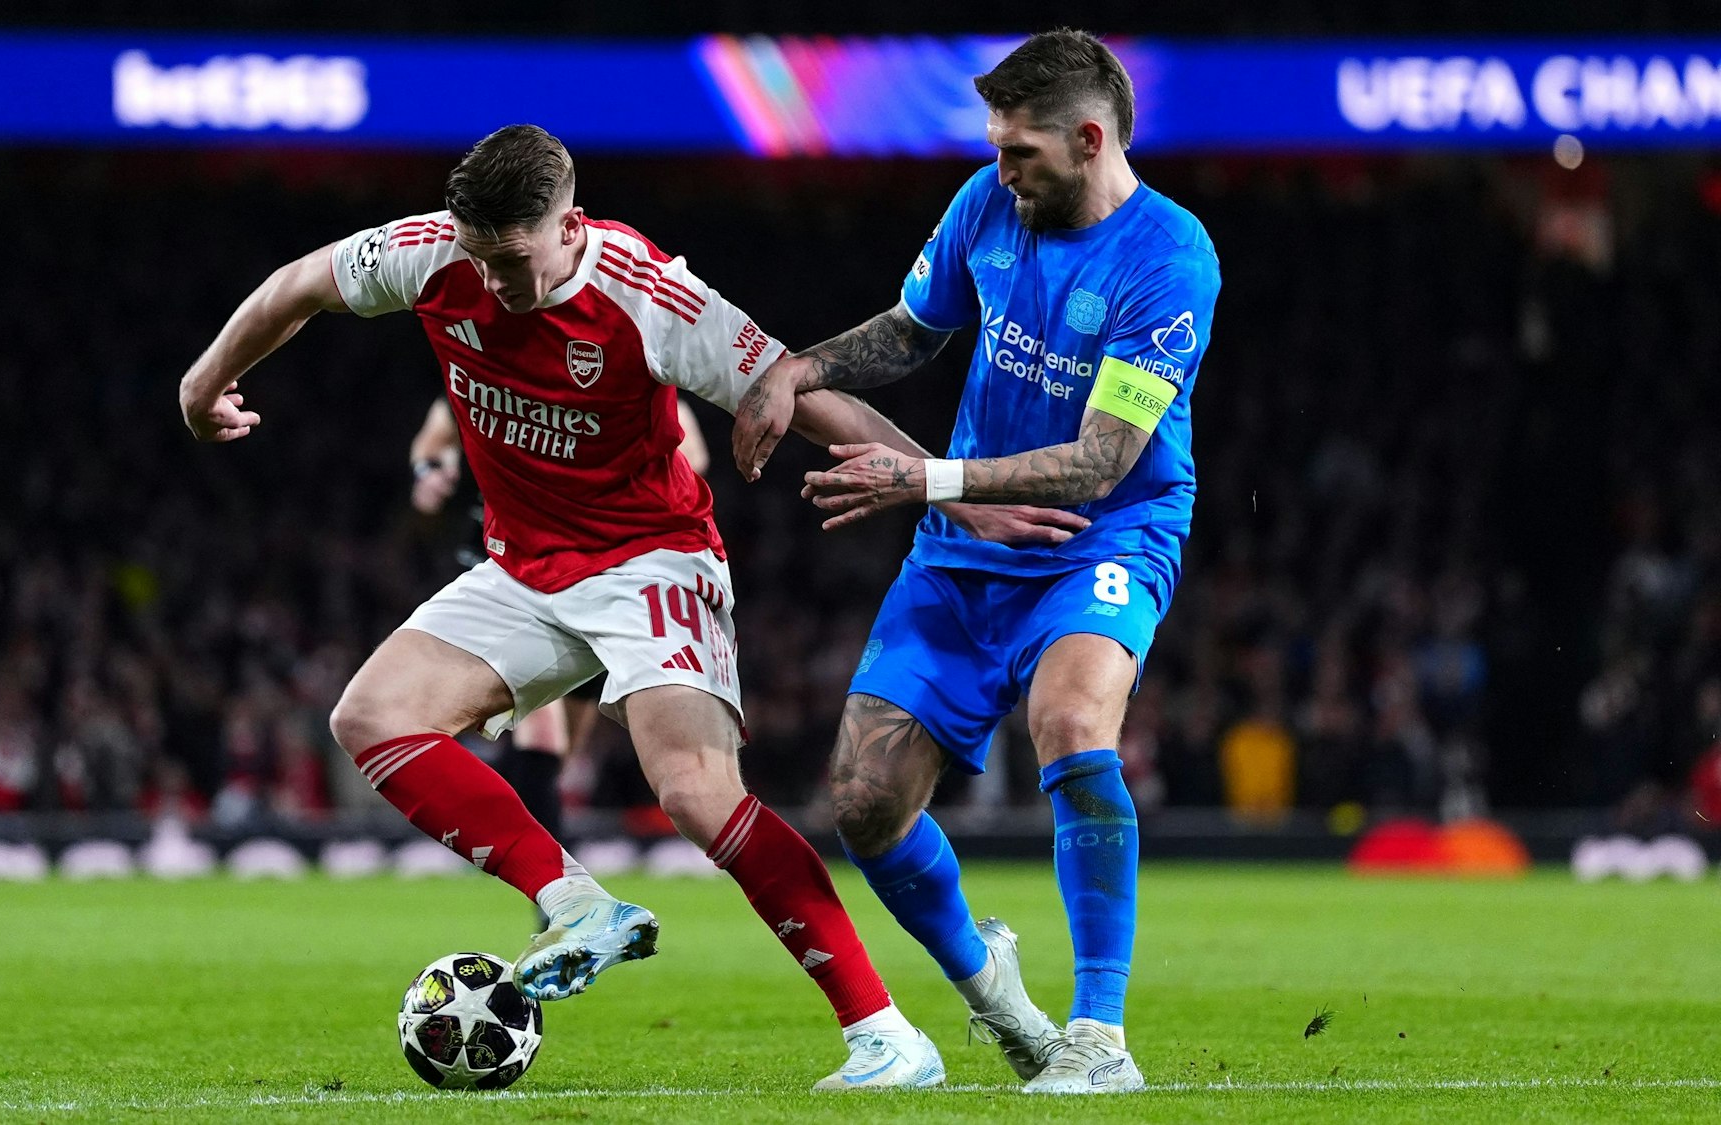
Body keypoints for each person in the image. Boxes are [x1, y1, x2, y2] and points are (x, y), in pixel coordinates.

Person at [178, 124, 1086, 1089]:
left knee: (696, 793)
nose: (493, 283)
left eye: (514, 261)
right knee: (371, 716)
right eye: (480, 258)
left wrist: (956, 488)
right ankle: (576, 901)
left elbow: (798, 389)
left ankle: (885, 1036)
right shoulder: (432, 250)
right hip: (523, 564)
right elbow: (300, 283)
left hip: (648, 560)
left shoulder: (650, 295)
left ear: (569, 225)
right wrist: (205, 381)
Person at [731, 29, 1222, 1095]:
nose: (1000, 173)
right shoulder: (985, 206)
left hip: (1105, 532)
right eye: (994, 150)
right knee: (862, 799)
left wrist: (927, 481)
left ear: (1089, 140)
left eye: (1020, 155)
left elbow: (1101, 461)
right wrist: (798, 367)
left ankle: (1100, 1038)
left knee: (1071, 723)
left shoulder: (1169, 257)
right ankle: (998, 999)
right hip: (964, 542)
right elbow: (912, 332)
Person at [409, 395, 712, 845]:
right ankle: (556, 889)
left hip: (600, 586)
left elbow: (693, 457)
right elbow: (433, 440)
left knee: (558, 756)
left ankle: (507, 828)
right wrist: (430, 473)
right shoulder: (485, 386)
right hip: (513, 579)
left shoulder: (632, 397)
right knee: (542, 737)